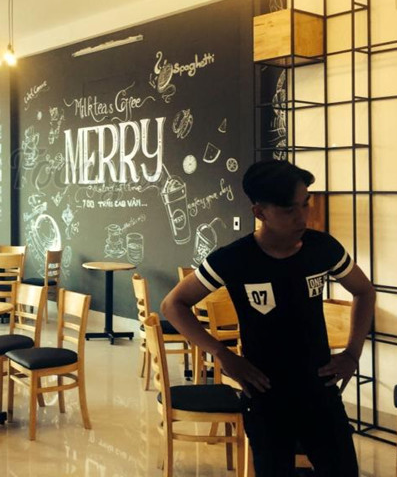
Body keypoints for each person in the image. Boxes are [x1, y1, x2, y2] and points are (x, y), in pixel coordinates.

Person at [161, 159, 375, 476]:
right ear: (259, 212)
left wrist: (353, 353)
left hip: (320, 389)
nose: (302, 216)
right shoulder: (234, 258)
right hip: (264, 393)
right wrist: (222, 353)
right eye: (289, 210)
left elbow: (364, 291)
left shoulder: (322, 248)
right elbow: (173, 305)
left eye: (305, 204)